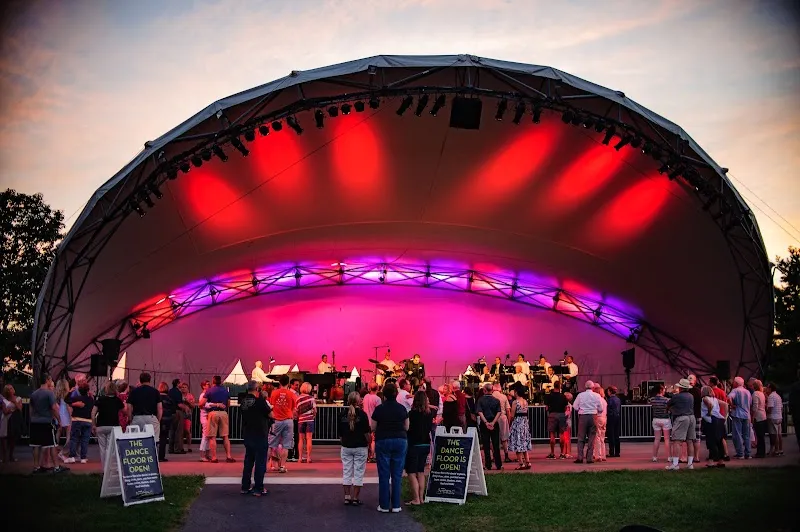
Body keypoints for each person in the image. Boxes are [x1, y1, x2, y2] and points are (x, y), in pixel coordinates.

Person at [370, 382, 409, 513]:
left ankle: (384, 505)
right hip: (400, 439)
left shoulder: (379, 409)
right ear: (396, 394)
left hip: (383, 440)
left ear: (384, 395)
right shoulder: (402, 409)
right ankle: (397, 505)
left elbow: (373, 427)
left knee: (384, 474)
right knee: (397, 475)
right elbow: (407, 426)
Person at [29, 375, 68, 474]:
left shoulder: (34, 394)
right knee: (52, 445)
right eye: (50, 380)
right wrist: (59, 420)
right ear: (47, 380)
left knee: (36, 445)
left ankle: (36, 467)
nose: (51, 382)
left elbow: (31, 409)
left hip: (35, 422)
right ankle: (56, 467)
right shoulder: (49, 394)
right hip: (46, 422)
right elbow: (54, 408)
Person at [240, 380, 272, 496]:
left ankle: (245, 486)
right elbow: (270, 414)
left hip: (248, 434)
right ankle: (258, 488)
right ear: (257, 389)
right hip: (260, 435)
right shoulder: (260, 401)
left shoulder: (243, 402)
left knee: (248, 462)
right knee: (260, 462)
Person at [340, 391, 370, 506]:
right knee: (358, 472)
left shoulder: (342, 414)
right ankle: (355, 497)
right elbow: (366, 433)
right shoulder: (362, 415)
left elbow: (341, 434)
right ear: (359, 401)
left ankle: (347, 496)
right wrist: (369, 444)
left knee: (346, 471)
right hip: (360, 446)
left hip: (347, 445)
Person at [405, 391, 433, 506]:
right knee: (421, 471)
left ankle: (416, 498)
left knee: (411, 472)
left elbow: (407, 428)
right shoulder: (429, 414)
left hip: (414, 444)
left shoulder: (411, 414)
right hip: (425, 444)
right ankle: (421, 498)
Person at [92, 380, 125, 470]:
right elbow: (124, 411)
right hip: (113, 426)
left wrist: (94, 425)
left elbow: (93, 413)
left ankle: (104, 469)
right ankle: (111, 468)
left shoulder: (100, 399)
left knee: (102, 448)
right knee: (110, 448)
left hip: (101, 426)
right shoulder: (117, 400)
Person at [202, 375, 235, 463]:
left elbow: (202, 403)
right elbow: (228, 404)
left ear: (213, 381)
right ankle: (228, 456)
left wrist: (211, 404)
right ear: (221, 381)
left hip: (213, 413)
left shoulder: (209, 391)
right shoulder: (225, 391)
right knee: (225, 436)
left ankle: (214, 457)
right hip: (223, 413)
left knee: (212, 437)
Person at [269, 375, 297, 473]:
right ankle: (283, 466)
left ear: (279, 382)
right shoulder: (291, 394)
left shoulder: (274, 393)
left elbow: (271, 405)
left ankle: (267, 465)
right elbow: (294, 408)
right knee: (286, 445)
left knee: (272, 444)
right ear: (288, 383)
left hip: (276, 420)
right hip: (288, 420)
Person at [666, 378, 696, 470]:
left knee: (677, 441)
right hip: (691, 417)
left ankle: (675, 464)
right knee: (689, 441)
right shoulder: (691, 396)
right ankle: (690, 464)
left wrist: (671, 410)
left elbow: (668, 404)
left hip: (681, 418)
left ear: (681, 387)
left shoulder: (677, 396)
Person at [572, 380, 603, 464]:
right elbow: (601, 408)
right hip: (593, 416)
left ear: (585, 387)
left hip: (583, 417)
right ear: (593, 387)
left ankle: (580, 457)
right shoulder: (597, 396)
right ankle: (589, 458)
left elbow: (574, 406)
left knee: (581, 438)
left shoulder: (580, 395)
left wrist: (581, 410)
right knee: (591, 438)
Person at [127, 372, 162, 444]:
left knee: (136, 440)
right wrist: (157, 420)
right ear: (150, 380)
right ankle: (152, 454)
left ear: (140, 380)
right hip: (151, 417)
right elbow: (160, 408)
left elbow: (129, 406)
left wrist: (130, 418)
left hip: (137, 417)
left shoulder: (134, 391)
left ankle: (138, 454)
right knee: (154, 440)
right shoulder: (155, 391)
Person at [65, 380, 95, 464]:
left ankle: (72, 456)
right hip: (88, 421)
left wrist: (70, 391)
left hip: (77, 420)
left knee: (74, 438)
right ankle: (83, 458)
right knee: (85, 440)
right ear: (87, 390)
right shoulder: (91, 399)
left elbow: (66, 400)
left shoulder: (77, 398)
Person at [476, 382, 503, 470]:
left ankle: (488, 465)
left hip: (485, 424)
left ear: (484, 390)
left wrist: (486, 422)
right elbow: (499, 412)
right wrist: (493, 422)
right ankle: (498, 464)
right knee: (496, 444)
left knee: (486, 445)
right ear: (492, 390)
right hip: (494, 423)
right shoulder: (496, 400)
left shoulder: (480, 400)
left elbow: (480, 412)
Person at [700, 385, 726, 468]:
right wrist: (725, 416)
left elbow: (710, 405)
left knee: (711, 441)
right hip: (719, 420)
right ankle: (721, 461)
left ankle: (711, 461)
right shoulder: (715, 399)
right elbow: (725, 404)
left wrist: (709, 412)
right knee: (719, 441)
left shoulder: (705, 398)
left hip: (711, 421)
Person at [508, 384, 532, 470]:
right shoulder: (525, 401)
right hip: (524, 423)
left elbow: (512, 415)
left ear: (516, 392)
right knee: (524, 443)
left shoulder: (515, 402)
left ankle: (521, 463)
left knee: (517, 443)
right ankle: (528, 462)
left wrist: (509, 422)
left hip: (517, 423)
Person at [728, 376, 752, 459]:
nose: (732, 383)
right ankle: (748, 453)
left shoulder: (735, 390)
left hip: (738, 414)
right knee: (747, 434)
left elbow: (729, 397)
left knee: (737, 434)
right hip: (747, 415)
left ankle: (740, 453)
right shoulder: (747, 392)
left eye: (734, 382)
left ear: (736, 383)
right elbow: (750, 403)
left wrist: (732, 405)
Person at [544, 380, 569, 459]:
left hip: (552, 414)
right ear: (560, 387)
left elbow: (547, 407)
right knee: (561, 434)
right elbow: (566, 407)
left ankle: (552, 453)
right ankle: (562, 453)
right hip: (561, 414)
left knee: (552, 434)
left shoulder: (549, 396)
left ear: (553, 386)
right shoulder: (563, 396)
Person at [709, 376, 731, 461]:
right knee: (722, 437)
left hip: (715, 416)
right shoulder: (722, 392)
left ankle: (715, 455)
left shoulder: (712, 392)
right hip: (723, 415)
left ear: (711, 383)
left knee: (714, 437)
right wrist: (725, 416)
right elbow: (726, 403)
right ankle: (725, 454)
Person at [649, 384, 672, 462]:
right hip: (665, 420)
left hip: (656, 419)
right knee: (667, 439)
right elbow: (670, 408)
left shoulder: (652, 399)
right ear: (661, 390)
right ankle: (669, 457)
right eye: (664, 389)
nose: (665, 390)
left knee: (657, 439)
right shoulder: (667, 400)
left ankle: (654, 457)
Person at [0, 385, 22, 463]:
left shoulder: (18, 398)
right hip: (5, 419)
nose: (10, 390)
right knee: (3, 438)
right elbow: (5, 411)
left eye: (11, 388)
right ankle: (4, 457)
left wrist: (15, 402)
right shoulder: (3, 399)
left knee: (13, 437)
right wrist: (11, 410)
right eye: (8, 389)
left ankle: (11, 456)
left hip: (14, 420)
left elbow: (19, 408)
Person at [491, 383, 513, 463]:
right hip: (502, 417)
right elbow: (508, 410)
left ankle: (494, 456)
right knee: (504, 438)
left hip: (492, 418)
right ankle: (506, 456)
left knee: (493, 438)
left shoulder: (491, 396)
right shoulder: (503, 397)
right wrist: (509, 420)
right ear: (500, 389)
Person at [296, 382, 316, 463]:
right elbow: (315, 410)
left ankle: (300, 458)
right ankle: (308, 457)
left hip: (301, 420)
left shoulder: (297, 398)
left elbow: (296, 410)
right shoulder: (311, 398)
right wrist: (313, 416)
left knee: (300, 439)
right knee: (309, 439)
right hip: (310, 420)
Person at [362, 382, 382, 462]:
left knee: (367, 440)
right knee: (373, 440)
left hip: (366, 421)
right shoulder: (377, 399)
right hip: (374, 421)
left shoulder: (366, 397)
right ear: (377, 389)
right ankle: (372, 456)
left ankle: (367, 456)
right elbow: (379, 411)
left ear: (369, 388)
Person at [157, 382, 175, 462]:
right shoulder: (169, 399)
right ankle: (161, 456)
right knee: (163, 438)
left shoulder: (156, 398)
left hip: (157, 419)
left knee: (155, 437)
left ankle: (154, 454)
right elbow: (173, 410)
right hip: (167, 419)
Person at [54, 379, 72, 461]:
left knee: (58, 431)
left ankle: (55, 447)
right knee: (69, 434)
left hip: (59, 414)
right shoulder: (67, 394)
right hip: (66, 414)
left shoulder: (55, 395)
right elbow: (68, 406)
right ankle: (65, 451)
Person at [168, 378, 185, 455]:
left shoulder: (170, 391)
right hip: (178, 412)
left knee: (172, 430)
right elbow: (179, 404)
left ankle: (170, 448)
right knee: (179, 431)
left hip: (171, 412)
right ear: (178, 384)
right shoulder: (178, 392)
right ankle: (178, 449)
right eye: (180, 383)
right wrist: (186, 408)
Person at [765, 382, 783, 456]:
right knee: (779, 434)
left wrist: (765, 409)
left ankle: (776, 451)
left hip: (773, 417)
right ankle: (780, 449)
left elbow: (770, 408)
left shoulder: (771, 396)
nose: (766, 389)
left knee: (774, 435)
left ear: (771, 388)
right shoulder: (778, 396)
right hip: (779, 416)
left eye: (768, 387)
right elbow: (781, 407)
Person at [751, 380, 768, 458]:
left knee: (759, 436)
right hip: (763, 416)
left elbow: (755, 407)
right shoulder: (762, 393)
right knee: (761, 436)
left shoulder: (755, 394)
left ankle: (760, 453)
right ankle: (762, 452)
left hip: (758, 417)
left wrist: (752, 417)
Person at [592, 384, 608, 462]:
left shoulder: (597, 400)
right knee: (602, 437)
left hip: (598, 417)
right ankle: (603, 454)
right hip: (604, 418)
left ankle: (598, 455)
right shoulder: (604, 400)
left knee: (597, 437)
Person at [197, 380, 211, 461]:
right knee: (205, 436)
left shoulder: (208, 395)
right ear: (203, 386)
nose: (209, 385)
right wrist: (214, 404)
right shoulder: (203, 395)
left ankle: (207, 454)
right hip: (204, 417)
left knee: (208, 436)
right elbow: (203, 405)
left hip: (208, 417)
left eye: (209, 384)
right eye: (207, 384)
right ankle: (202, 455)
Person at [606, 386, 622, 457]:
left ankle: (611, 451)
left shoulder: (609, 400)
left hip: (611, 418)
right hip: (617, 417)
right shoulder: (618, 399)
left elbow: (608, 409)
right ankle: (617, 452)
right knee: (616, 434)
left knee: (611, 435)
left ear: (610, 391)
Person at [179, 382, 195, 452]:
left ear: (187, 389)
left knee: (187, 431)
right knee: (180, 431)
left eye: (185, 387)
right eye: (182, 387)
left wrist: (187, 401)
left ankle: (189, 446)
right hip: (180, 414)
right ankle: (181, 446)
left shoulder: (190, 396)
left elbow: (193, 406)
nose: (183, 389)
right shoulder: (179, 395)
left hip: (187, 414)